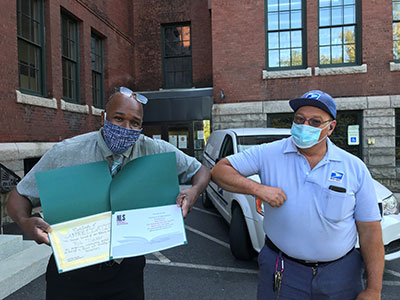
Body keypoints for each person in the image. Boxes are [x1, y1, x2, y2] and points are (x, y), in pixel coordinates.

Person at [7, 86, 211, 300]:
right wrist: (24, 222)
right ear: (103, 117)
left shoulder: (154, 151)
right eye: (118, 118)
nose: (126, 128)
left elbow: (201, 171)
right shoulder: (66, 153)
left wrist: (194, 191)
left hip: (126, 271)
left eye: (135, 123)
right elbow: (19, 196)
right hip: (71, 272)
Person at [211, 90, 384, 300]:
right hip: (282, 269)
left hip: (340, 275)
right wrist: (259, 189)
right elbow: (220, 171)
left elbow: (370, 233)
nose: (304, 126)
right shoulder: (269, 153)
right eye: (299, 120)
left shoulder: (354, 167)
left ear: (331, 127)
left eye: (314, 122)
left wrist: (374, 289)